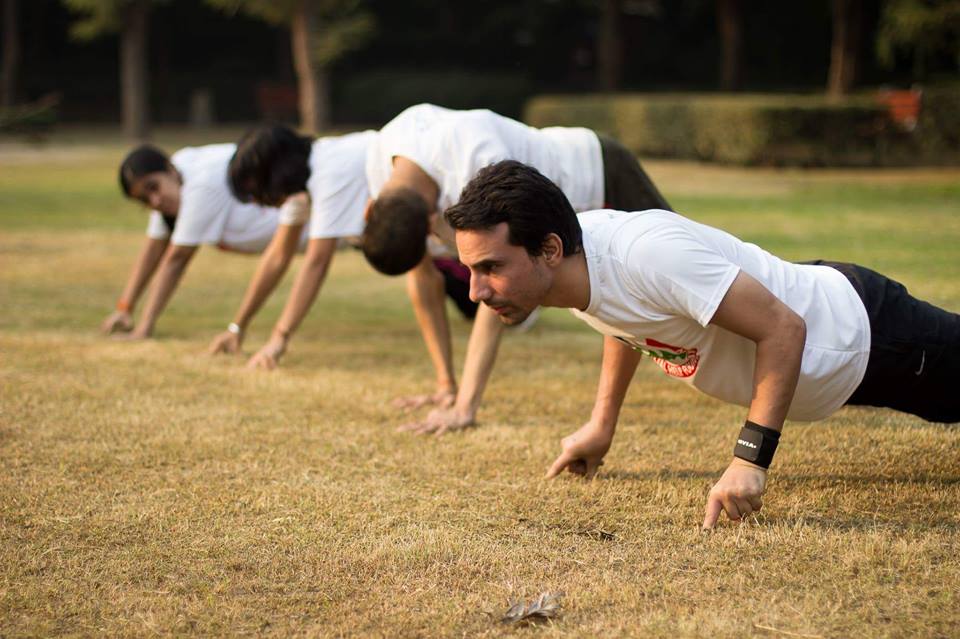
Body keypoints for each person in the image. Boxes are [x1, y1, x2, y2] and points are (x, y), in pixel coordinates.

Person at [444, 160, 959, 528]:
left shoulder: (645, 255)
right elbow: (625, 322)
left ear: (549, 250)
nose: (474, 291)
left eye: (491, 267)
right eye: (469, 269)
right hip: (835, 370)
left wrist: (749, 463)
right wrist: (602, 425)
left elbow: (785, 328)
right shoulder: (575, 269)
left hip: (861, 334)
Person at [360, 103, 671, 433]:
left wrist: (465, 408)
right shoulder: (383, 163)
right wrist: (445, 385)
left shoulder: (476, 158)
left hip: (601, 172)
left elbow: (495, 286)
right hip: (558, 209)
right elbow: (422, 277)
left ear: (427, 224)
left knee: (673, 272)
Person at [103, 144, 308, 340]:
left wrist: (143, 328)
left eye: (153, 187)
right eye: (144, 200)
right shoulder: (177, 174)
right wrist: (125, 308)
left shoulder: (201, 184)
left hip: (310, 222)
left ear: (170, 169)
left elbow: (176, 259)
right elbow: (155, 246)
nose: (155, 201)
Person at [220, 125, 376, 367]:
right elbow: (277, 257)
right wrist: (237, 327)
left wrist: (278, 340)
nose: (259, 202)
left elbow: (316, 262)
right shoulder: (302, 185)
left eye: (257, 191)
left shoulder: (329, 173)